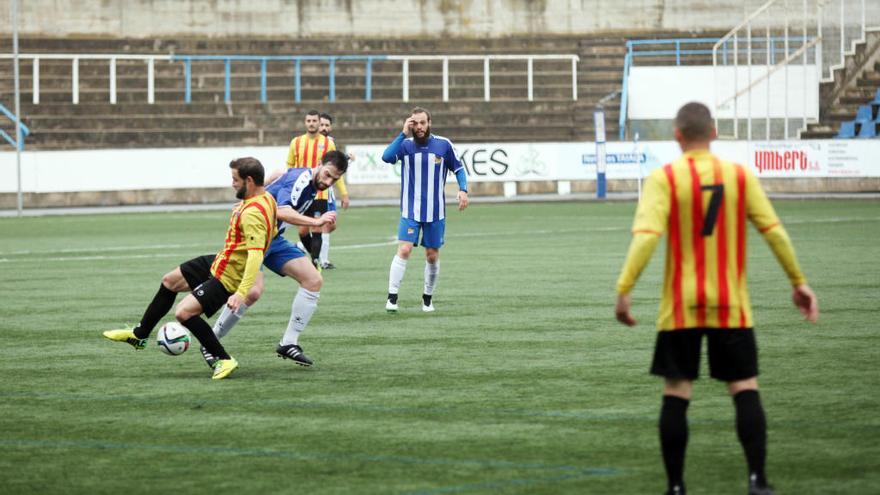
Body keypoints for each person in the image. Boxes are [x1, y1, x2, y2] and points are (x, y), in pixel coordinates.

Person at [613, 102, 819, 495]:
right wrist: (798, 281)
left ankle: (675, 487)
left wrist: (624, 291)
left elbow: (646, 239)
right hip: (732, 304)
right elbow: (773, 231)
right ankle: (757, 481)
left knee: (677, 391)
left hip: (681, 305)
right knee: (744, 386)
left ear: (677, 135)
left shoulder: (665, 178)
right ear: (715, 132)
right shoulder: (738, 176)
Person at [104, 157, 278, 380]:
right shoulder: (266, 199)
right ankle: (139, 335)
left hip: (228, 275)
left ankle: (223, 359)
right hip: (221, 260)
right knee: (170, 281)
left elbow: (255, 255)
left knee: (184, 313)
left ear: (250, 180)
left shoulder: (253, 212)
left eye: (235, 179)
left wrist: (241, 292)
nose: (232, 183)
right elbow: (270, 232)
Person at [207, 150, 350, 367]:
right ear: (319, 164)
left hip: (273, 238)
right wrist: (316, 223)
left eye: (334, 179)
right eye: (328, 175)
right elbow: (281, 211)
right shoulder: (300, 180)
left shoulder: (314, 185)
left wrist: (326, 221)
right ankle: (211, 342)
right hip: (253, 236)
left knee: (313, 280)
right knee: (252, 291)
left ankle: (288, 342)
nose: (328, 181)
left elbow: (280, 182)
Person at [381, 107, 468, 313]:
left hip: (435, 211)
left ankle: (427, 299)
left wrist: (463, 190)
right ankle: (392, 298)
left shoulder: (443, 144)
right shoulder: (405, 145)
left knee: (431, 255)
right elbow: (386, 157)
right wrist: (402, 133)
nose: (419, 127)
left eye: (422, 123)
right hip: (410, 210)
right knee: (404, 249)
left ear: (429, 123)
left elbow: (459, 168)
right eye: (415, 123)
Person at [287, 109, 337, 268]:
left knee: (317, 227)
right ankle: (313, 256)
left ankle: (315, 262)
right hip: (301, 192)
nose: (312, 123)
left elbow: (333, 166)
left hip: (320, 193)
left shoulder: (328, 143)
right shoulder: (296, 142)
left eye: (314, 121)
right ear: (305, 122)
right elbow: (290, 165)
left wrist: (340, 190)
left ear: (318, 122)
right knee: (302, 231)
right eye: (309, 121)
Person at [316, 112, 351, 270]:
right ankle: (322, 260)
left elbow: (335, 170)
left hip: (327, 191)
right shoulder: (313, 143)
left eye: (326, 125)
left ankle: (302, 247)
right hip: (317, 191)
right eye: (321, 125)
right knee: (325, 224)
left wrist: (343, 193)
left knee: (330, 224)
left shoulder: (330, 143)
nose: (323, 128)